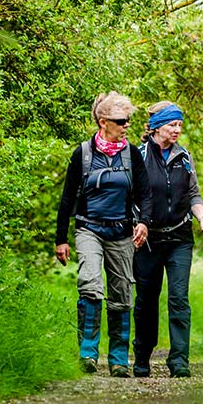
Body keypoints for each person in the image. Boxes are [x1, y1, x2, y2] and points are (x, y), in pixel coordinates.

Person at [55, 92, 154, 377]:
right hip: (89, 228)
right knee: (90, 284)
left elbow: (144, 194)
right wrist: (61, 239)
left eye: (128, 120)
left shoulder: (132, 154)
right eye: (121, 121)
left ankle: (119, 359)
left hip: (121, 231)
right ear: (103, 122)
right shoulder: (83, 154)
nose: (126, 126)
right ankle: (88, 353)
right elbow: (67, 198)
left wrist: (144, 222)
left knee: (122, 293)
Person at [130, 102, 203, 379]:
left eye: (180, 125)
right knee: (146, 299)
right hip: (147, 240)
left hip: (180, 236)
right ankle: (142, 356)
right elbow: (129, 195)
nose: (177, 130)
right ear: (157, 127)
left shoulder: (184, 157)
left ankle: (179, 360)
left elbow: (193, 194)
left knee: (179, 297)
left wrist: (202, 217)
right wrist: (135, 225)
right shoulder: (138, 156)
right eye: (172, 125)